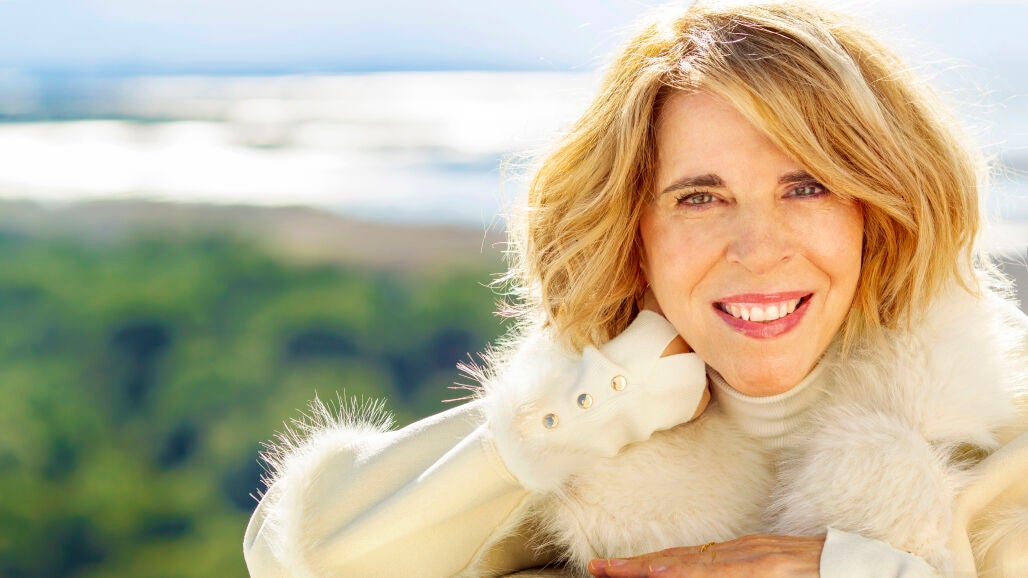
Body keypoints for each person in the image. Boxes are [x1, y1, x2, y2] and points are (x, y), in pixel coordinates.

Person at [243, 1, 1027, 576]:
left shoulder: (1002, 431)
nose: (759, 250)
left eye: (807, 187)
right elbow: (299, 558)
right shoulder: (580, 443)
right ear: (634, 230)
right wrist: (581, 412)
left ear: (875, 210)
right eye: (700, 197)